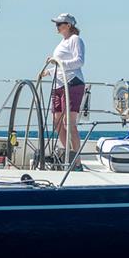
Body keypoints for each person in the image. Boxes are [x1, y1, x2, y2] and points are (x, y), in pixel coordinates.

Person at [44, 13, 86, 169]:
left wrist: (58, 62)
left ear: (68, 25)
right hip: (58, 84)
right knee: (57, 122)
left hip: (72, 82)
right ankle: (68, 154)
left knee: (70, 123)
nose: (57, 26)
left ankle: (77, 160)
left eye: (59, 23)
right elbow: (60, 64)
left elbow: (79, 61)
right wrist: (48, 71)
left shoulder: (75, 40)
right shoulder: (62, 42)